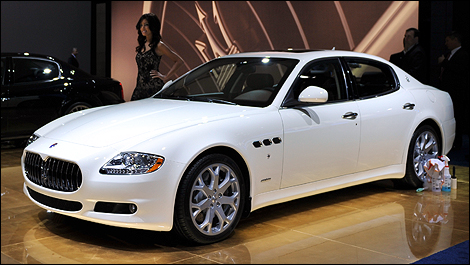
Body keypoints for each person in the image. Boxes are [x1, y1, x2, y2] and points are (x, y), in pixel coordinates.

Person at [131, 13, 184, 101]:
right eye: (141, 25)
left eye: (146, 25)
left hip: (153, 88)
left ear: (153, 26)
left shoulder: (159, 45)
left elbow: (179, 61)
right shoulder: (142, 45)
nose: (143, 28)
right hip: (139, 89)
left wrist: (165, 77)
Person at [438, 31, 469, 150]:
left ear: (455, 40)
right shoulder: (449, 54)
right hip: (448, 92)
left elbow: (458, 70)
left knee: (458, 118)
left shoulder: (463, 55)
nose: (446, 43)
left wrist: (444, 63)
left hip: (457, 93)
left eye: (448, 40)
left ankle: (457, 142)